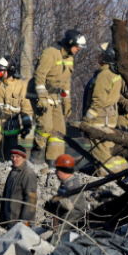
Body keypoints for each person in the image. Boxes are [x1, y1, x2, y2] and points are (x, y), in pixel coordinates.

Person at [32, 29, 85, 167]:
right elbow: (40, 76)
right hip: (42, 94)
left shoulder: (69, 58)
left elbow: (65, 82)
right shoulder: (51, 53)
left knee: (59, 130)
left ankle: (53, 162)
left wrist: (67, 101)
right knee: (45, 126)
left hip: (55, 97)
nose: (79, 49)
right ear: (70, 43)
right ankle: (36, 156)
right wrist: (42, 97)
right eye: (77, 46)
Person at [83, 45, 128, 174]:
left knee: (100, 151)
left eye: (102, 54)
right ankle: (122, 173)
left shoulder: (104, 75)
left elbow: (98, 101)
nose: (99, 55)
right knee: (109, 148)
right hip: (110, 118)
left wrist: (87, 120)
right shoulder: (115, 74)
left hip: (99, 119)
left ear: (107, 57)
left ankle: (105, 177)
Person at [0, 58, 34, 163]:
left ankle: (8, 171)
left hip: (13, 123)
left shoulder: (21, 86)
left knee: (11, 151)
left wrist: (27, 124)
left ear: (11, 70)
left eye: (2, 70)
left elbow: (26, 107)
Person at [45, 154, 90, 236]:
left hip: (73, 223)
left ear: (63, 170)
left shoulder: (73, 185)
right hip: (65, 221)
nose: (55, 172)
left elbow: (68, 205)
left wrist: (54, 199)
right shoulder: (66, 184)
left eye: (57, 170)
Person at [0, 147, 38, 227]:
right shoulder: (12, 172)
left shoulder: (28, 174)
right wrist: (1, 220)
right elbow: (5, 197)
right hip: (10, 220)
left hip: (20, 222)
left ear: (23, 158)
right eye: (12, 156)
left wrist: (25, 222)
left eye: (17, 157)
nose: (14, 159)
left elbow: (31, 199)